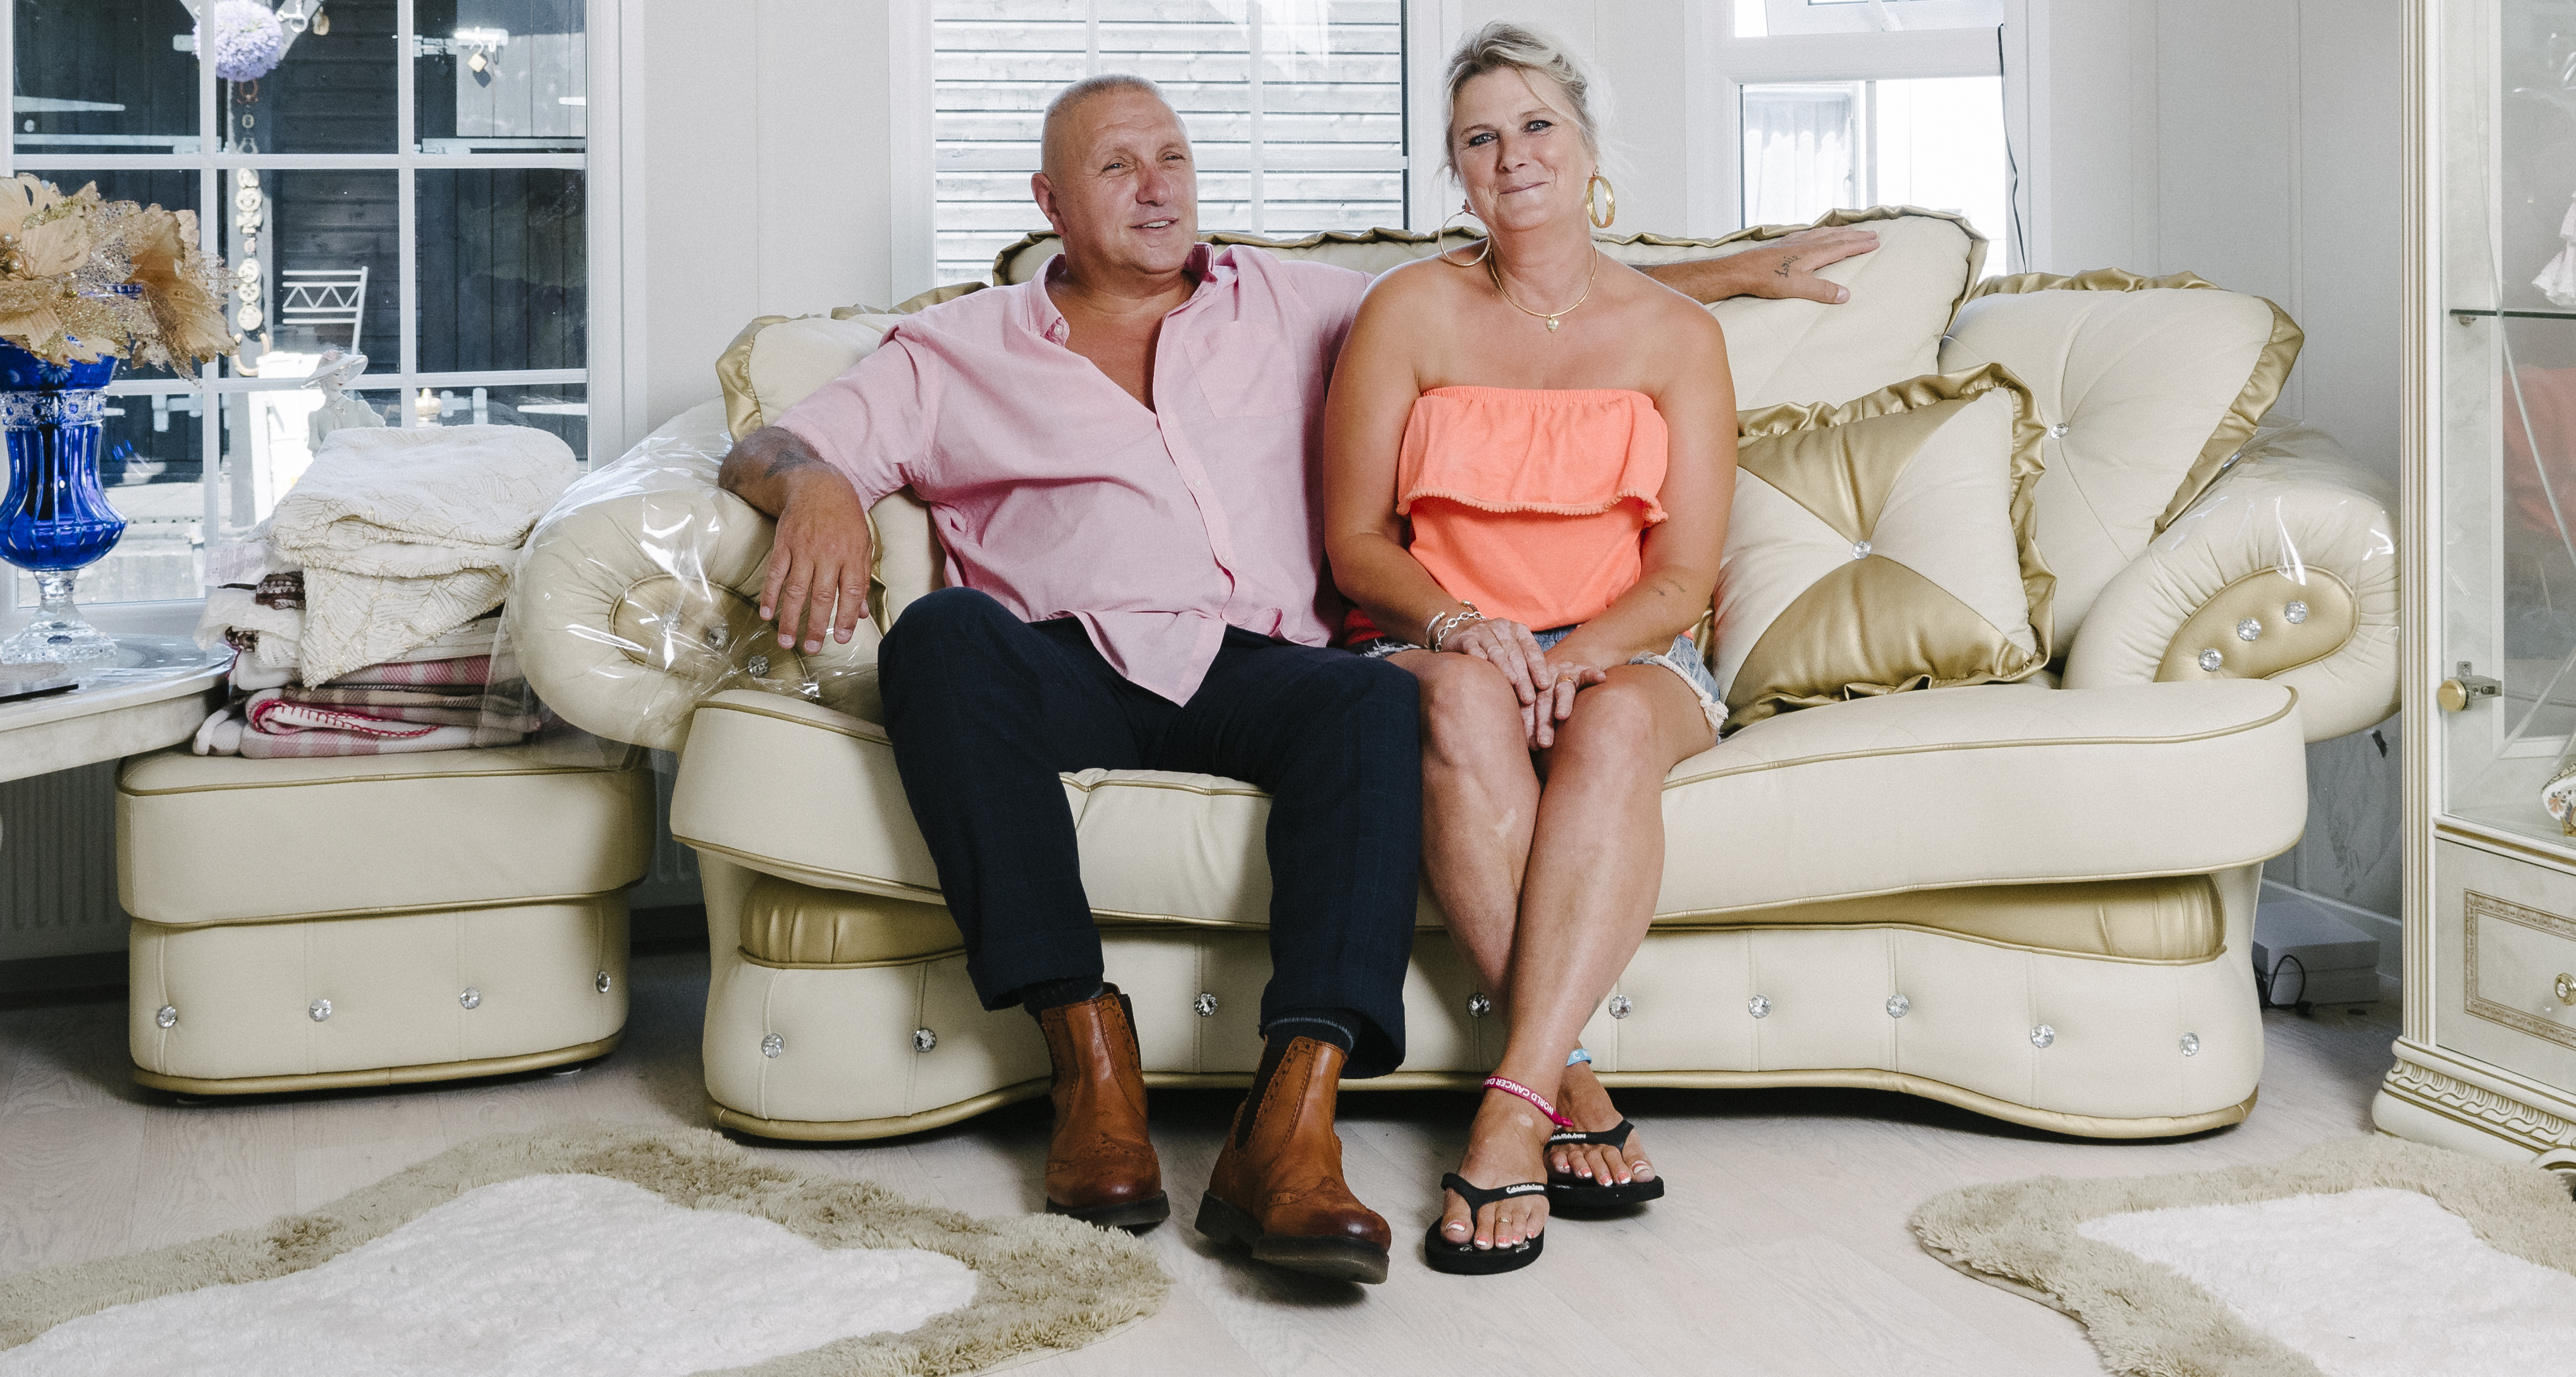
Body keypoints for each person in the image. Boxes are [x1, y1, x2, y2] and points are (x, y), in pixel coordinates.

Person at [715, 73, 1872, 1285]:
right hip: (1070, 661)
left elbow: (1521, 306)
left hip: (1266, 668)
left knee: (1380, 692)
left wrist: (1736, 273)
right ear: (1048, 201)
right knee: (940, 636)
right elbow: (769, 440)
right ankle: (1086, 1061)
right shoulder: (956, 346)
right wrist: (814, 486)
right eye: (1117, 167)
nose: (1157, 185)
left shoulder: (1292, 301)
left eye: (1171, 155)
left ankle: (1292, 1131)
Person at [1322, 23, 1735, 1277]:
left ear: (1590, 147)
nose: (1513, 155)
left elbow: (1683, 574)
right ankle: (1566, 1083)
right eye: (1479, 136)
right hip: (1441, 638)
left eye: (1537, 124)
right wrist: (1466, 626)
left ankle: (1507, 1108)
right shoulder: (1404, 311)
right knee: (1459, 701)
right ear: (1455, 171)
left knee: (1611, 719)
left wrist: (1579, 649)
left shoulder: (1677, 335)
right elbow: (1355, 544)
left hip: (1625, 644)